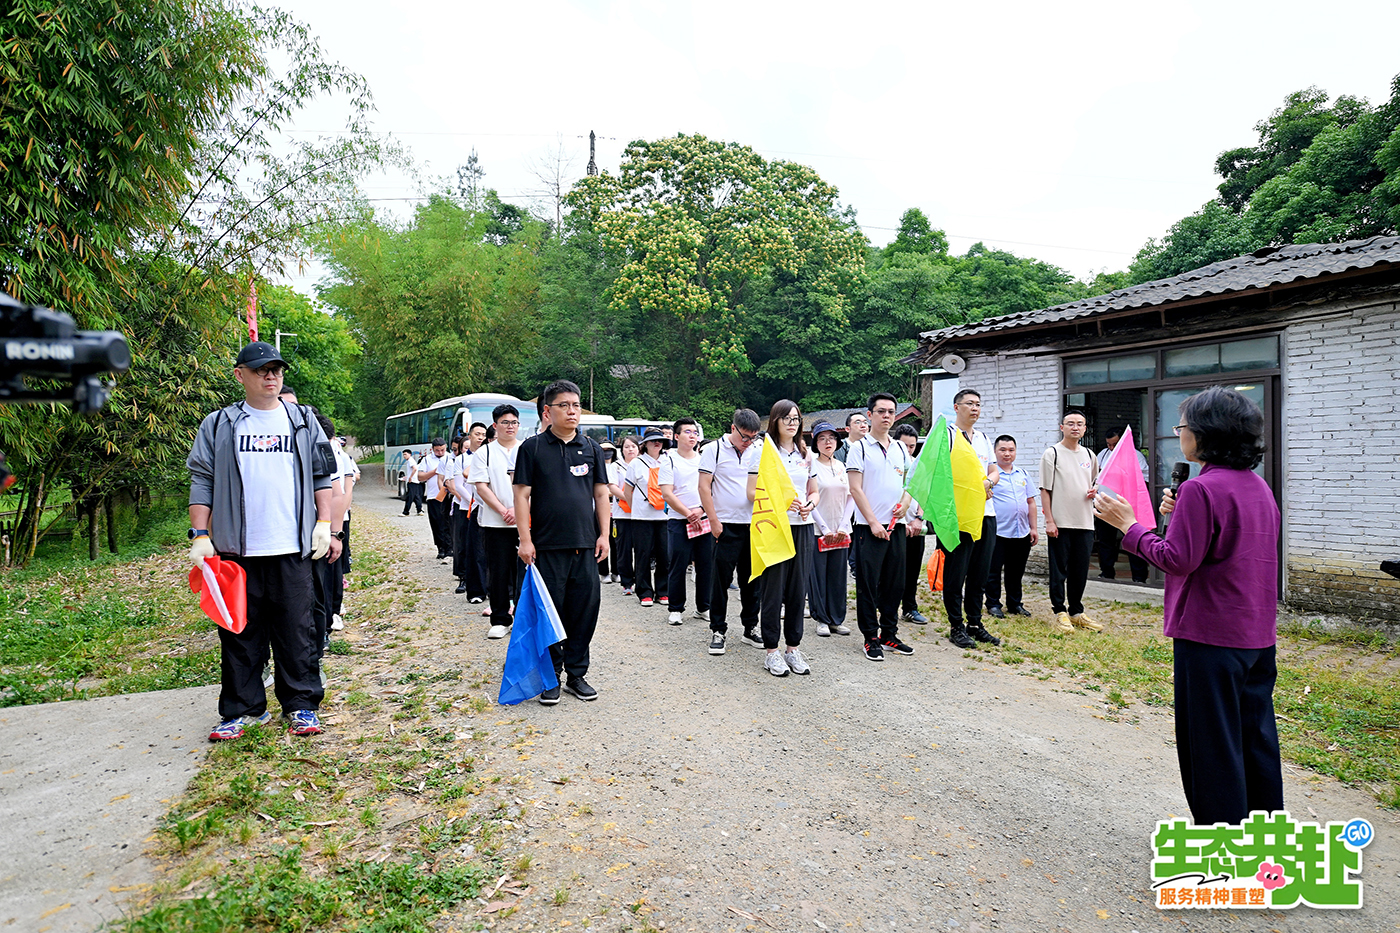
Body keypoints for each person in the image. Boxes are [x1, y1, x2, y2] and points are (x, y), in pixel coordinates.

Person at [1094, 387, 1282, 826]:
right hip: (1255, 635)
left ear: (1204, 434)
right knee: (1254, 738)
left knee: (1210, 746)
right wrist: (1174, 518)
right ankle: (1265, 834)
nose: (1179, 433)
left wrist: (1128, 525)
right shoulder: (1258, 487)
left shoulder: (1202, 488)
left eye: (1182, 426)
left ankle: (1220, 847)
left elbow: (1177, 560)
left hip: (1209, 635)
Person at [187, 341, 340, 741]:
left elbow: (323, 477)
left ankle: (301, 705)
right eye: (260, 370)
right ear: (240, 375)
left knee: (297, 630)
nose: (270, 376)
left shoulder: (302, 421)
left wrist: (325, 523)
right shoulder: (219, 424)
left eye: (276, 369)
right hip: (237, 550)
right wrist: (201, 533)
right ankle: (244, 709)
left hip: (292, 546)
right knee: (240, 632)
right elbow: (202, 478)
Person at [513, 380, 611, 704]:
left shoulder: (592, 447)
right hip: (546, 547)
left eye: (576, 405)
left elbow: (601, 493)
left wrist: (604, 534)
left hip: (585, 545)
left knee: (584, 611)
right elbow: (521, 494)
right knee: (550, 614)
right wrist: (524, 540)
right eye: (564, 405)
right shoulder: (533, 448)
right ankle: (550, 676)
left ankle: (577, 674)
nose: (572, 411)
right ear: (547, 411)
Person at [748, 400, 817, 676]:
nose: (792, 422)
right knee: (773, 591)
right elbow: (752, 492)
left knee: (798, 590)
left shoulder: (805, 453)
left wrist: (810, 504)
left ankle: (793, 648)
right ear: (774, 420)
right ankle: (771, 652)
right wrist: (781, 502)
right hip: (774, 527)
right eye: (786, 418)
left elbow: (813, 490)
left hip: (803, 526)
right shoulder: (762, 452)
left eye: (796, 418)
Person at [847, 393, 915, 661]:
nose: (887, 416)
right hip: (868, 528)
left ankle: (889, 633)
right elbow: (855, 488)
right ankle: (870, 637)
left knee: (894, 583)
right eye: (881, 411)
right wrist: (874, 522)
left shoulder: (900, 448)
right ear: (870, 415)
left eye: (891, 412)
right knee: (867, 584)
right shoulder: (860, 448)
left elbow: (911, 482)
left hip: (896, 526)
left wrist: (906, 504)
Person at [936, 389, 1002, 649]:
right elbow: (938, 474)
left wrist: (988, 481)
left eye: (978, 404)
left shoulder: (984, 438)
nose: (975, 408)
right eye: (969, 404)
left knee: (980, 573)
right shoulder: (948, 436)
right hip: (960, 516)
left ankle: (975, 623)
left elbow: (994, 470)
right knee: (956, 572)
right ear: (956, 407)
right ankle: (956, 625)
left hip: (986, 514)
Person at [698, 409, 763, 655]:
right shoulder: (713, 449)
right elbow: (704, 487)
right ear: (733, 428)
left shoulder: (758, 450)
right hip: (725, 524)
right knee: (720, 580)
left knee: (752, 580)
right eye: (745, 437)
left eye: (753, 437)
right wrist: (713, 521)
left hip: (753, 523)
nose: (748, 442)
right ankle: (718, 629)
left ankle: (750, 627)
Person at [1041, 410, 1101, 634]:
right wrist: (1049, 520)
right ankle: (1060, 611)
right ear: (1061, 427)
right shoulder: (1052, 453)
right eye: (1070, 423)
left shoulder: (1089, 455)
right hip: (1061, 521)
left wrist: (1094, 491)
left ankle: (1076, 611)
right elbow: (1045, 490)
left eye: (1080, 424)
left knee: (1079, 569)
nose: (1075, 427)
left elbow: (1092, 481)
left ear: (1085, 428)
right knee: (1059, 569)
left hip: (1085, 521)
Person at [470, 404, 523, 639]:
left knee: (524, 572)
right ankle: (501, 619)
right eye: (505, 422)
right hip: (495, 522)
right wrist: (504, 510)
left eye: (514, 422)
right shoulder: (485, 452)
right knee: (499, 572)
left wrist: (519, 510)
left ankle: (523, 618)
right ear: (495, 425)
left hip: (525, 523)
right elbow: (481, 487)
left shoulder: (527, 449)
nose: (510, 427)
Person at [659, 417, 713, 625]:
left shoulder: (703, 460)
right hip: (679, 520)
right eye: (688, 432)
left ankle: (703, 607)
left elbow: (711, 489)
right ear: (676, 436)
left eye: (695, 432)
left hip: (703, 518)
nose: (692, 436)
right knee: (678, 564)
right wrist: (688, 513)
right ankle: (676, 608)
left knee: (705, 564)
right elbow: (667, 493)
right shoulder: (669, 460)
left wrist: (700, 510)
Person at [984, 435, 1037, 619]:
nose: (1007, 454)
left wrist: (1034, 528)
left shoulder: (1022, 474)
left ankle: (1015, 604)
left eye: (1011, 450)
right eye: (1003, 450)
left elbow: (1030, 502)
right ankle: (993, 604)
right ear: (995, 452)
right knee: (993, 571)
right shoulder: (991, 475)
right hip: (998, 532)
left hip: (1021, 531)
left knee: (1016, 572)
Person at [807, 421, 852, 638]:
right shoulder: (811, 466)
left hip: (841, 530)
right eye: (822, 438)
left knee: (837, 575)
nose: (828, 442)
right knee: (818, 575)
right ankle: (821, 618)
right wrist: (824, 527)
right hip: (818, 530)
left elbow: (851, 497)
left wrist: (844, 525)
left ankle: (836, 619)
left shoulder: (842, 466)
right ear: (815, 442)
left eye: (832, 438)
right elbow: (809, 498)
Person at [1095, 427, 1150, 584]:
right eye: (1109, 445)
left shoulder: (1135, 456)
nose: (1111, 448)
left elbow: (1143, 480)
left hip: (1126, 506)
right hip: (1105, 505)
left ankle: (1139, 577)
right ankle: (1107, 573)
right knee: (1106, 541)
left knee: (1132, 540)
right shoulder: (1103, 455)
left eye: (1115, 444)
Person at [625, 427, 671, 608]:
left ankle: (663, 591)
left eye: (659, 440)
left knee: (664, 555)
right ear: (645, 444)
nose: (657, 443)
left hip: (665, 517)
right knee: (643, 554)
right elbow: (628, 491)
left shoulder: (668, 461)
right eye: (652, 441)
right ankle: (644, 592)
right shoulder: (636, 463)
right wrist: (636, 508)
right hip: (641, 517)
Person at [892, 425, 930, 626]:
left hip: (916, 526)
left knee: (913, 568)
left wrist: (918, 519)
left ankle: (910, 608)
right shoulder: (890, 464)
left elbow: (925, 495)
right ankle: (887, 606)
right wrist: (901, 523)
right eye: (904, 445)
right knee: (892, 570)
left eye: (912, 446)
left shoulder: (919, 466)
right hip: (894, 525)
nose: (908, 450)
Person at [448, 424, 489, 599]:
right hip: (465, 506)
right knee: (463, 546)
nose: (480, 437)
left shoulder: (488, 455)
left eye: (483, 434)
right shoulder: (461, 459)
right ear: (469, 436)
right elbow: (459, 486)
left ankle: (486, 583)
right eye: (477, 434)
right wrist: (473, 501)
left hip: (485, 507)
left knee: (483, 548)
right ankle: (464, 578)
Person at [607, 436, 640, 594]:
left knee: (642, 549)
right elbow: (612, 486)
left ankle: (641, 581)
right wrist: (629, 497)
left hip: (641, 514)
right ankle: (627, 583)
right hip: (622, 514)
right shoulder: (616, 466)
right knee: (624, 549)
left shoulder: (643, 464)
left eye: (633, 446)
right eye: (627, 447)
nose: (630, 449)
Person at [419, 437, 452, 559]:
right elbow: (420, 476)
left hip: (448, 495)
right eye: (437, 450)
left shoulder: (450, 457)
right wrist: (435, 471)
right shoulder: (427, 460)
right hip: (433, 496)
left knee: (448, 522)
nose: (440, 453)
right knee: (436, 523)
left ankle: (450, 548)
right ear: (432, 449)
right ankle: (440, 548)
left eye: (442, 450)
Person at [596, 442, 619, 585]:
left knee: (615, 541)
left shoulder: (617, 466)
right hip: (599, 509)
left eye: (610, 450)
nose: (607, 453)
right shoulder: (596, 466)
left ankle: (616, 571)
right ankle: (603, 572)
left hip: (616, 509)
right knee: (601, 539)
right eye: (604, 450)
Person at [399, 448, 424, 515]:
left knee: (409, 497)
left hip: (412, 481)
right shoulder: (411, 461)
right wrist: (407, 477)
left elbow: (415, 469)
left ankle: (406, 512)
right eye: (403, 455)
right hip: (415, 481)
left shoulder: (411, 461)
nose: (404, 456)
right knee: (416, 496)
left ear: (410, 454)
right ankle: (419, 510)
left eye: (405, 454)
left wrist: (410, 477)